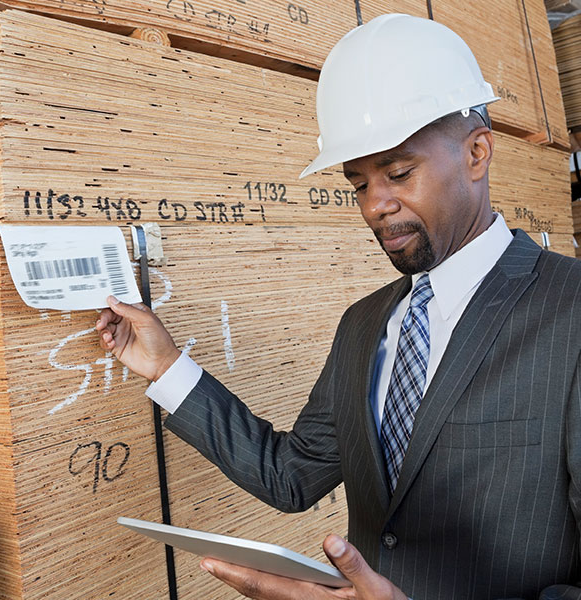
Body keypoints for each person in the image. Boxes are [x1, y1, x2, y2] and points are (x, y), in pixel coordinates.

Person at [96, 14, 581, 600]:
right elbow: (292, 474)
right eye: (357, 184)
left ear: (477, 152)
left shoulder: (570, 309)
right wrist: (167, 367)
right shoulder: (364, 326)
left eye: (399, 173)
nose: (376, 204)